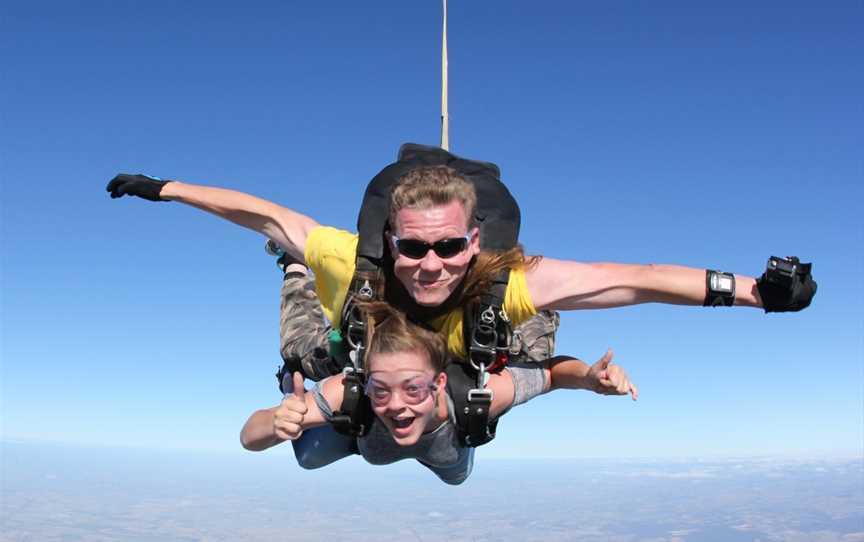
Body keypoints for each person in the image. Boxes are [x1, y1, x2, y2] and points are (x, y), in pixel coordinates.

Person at [106, 165, 817, 363]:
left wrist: (756, 292)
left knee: (528, 339)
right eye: (412, 246)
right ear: (391, 240)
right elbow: (263, 214)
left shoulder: (505, 282)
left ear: (473, 243)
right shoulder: (359, 259)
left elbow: (634, 278)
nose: (429, 263)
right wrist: (166, 189)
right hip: (362, 333)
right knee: (307, 345)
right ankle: (293, 276)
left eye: (448, 246)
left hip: (446, 355)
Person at [240, 305, 637, 485]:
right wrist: (277, 423)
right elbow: (249, 436)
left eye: (413, 389)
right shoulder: (351, 394)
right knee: (307, 454)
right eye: (381, 389)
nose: (396, 404)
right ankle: (293, 265)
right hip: (369, 441)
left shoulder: (477, 396)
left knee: (457, 474)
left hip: (450, 449)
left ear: (439, 385)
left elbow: (549, 374)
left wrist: (587, 377)